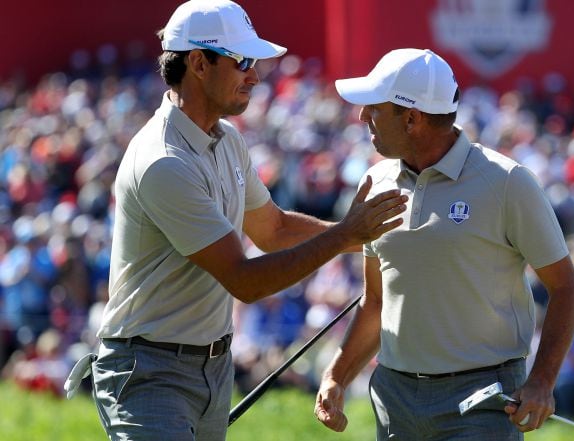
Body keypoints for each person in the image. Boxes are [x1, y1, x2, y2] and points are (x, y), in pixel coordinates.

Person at [67, 1, 407, 440]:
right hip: (148, 371)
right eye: (243, 61)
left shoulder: (226, 139)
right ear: (197, 63)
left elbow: (274, 230)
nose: (256, 75)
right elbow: (244, 281)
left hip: (210, 368)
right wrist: (346, 232)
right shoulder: (162, 160)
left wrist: (367, 240)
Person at [314, 48, 574, 440]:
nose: (362, 116)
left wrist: (542, 381)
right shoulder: (375, 182)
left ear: (412, 118)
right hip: (395, 397)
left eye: (375, 107)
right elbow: (377, 301)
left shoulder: (507, 182)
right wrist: (337, 375)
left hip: (482, 400)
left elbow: (565, 289)